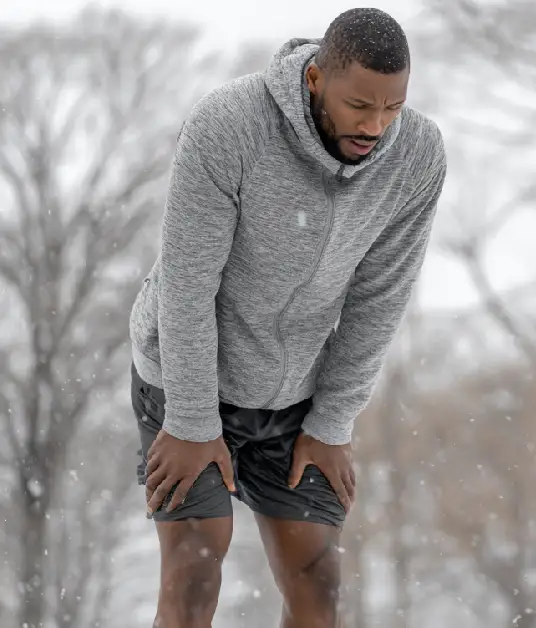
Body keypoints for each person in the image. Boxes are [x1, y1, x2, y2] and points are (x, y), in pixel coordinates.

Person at [126, 8, 445, 627]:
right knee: (195, 569)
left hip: (296, 389)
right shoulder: (229, 124)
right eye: (359, 105)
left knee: (318, 583)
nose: (375, 126)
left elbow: (380, 298)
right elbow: (189, 284)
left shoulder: (418, 156)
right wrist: (193, 422)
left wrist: (331, 423)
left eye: (392, 108)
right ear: (314, 80)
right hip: (189, 378)